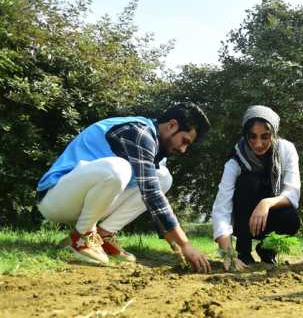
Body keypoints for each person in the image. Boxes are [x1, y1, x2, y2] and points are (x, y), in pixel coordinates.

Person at [36, 102, 213, 273]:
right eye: (184, 141)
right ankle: (83, 236)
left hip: (84, 200)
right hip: (55, 197)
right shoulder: (139, 133)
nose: (183, 149)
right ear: (172, 125)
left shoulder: (157, 150)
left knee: (163, 178)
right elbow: (151, 193)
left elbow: (153, 199)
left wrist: (176, 247)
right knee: (118, 168)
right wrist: (185, 244)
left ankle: (102, 236)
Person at [211, 105, 301, 271]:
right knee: (248, 182)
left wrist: (266, 203)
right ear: (246, 135)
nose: (258, 144)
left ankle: (267, 250)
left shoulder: (287, 150)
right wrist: (227, 254)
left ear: (274, 133)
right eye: (252, 137)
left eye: (265, 137)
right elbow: (221, 208)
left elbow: (292, 192)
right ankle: (242, 252)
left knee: (291, 218)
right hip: (242, 222)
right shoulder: (235, 159)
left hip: (269, 217)